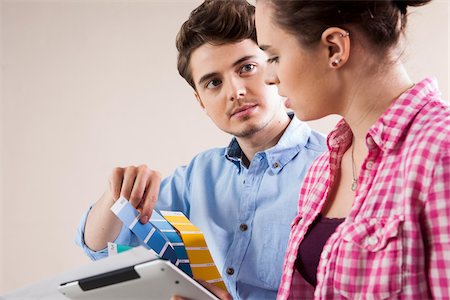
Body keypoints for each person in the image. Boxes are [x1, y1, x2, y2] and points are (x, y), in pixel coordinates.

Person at [76, 0, 327, 299]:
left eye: (247, 67)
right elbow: (102, 250)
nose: (235, 92)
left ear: (274, 65)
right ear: (201, 102)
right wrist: (115, 195)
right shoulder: (198, 177)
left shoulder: (333, 166)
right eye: (213, 83)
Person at [255, 0, 450, 299]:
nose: (270, 77)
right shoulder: (322, 170)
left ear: (334, 48)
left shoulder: (441, 151)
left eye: (275, 56)